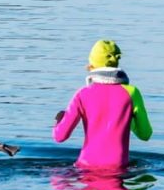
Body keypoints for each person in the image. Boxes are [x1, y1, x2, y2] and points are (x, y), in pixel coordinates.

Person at [52, 39, 152, 170]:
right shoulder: (132, 93)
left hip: (85, 168)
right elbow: (145, 134)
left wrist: (60, 120)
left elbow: (59, 137)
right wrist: (128, 119)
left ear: (92, 65)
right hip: (119, 169)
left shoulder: (82, 94)